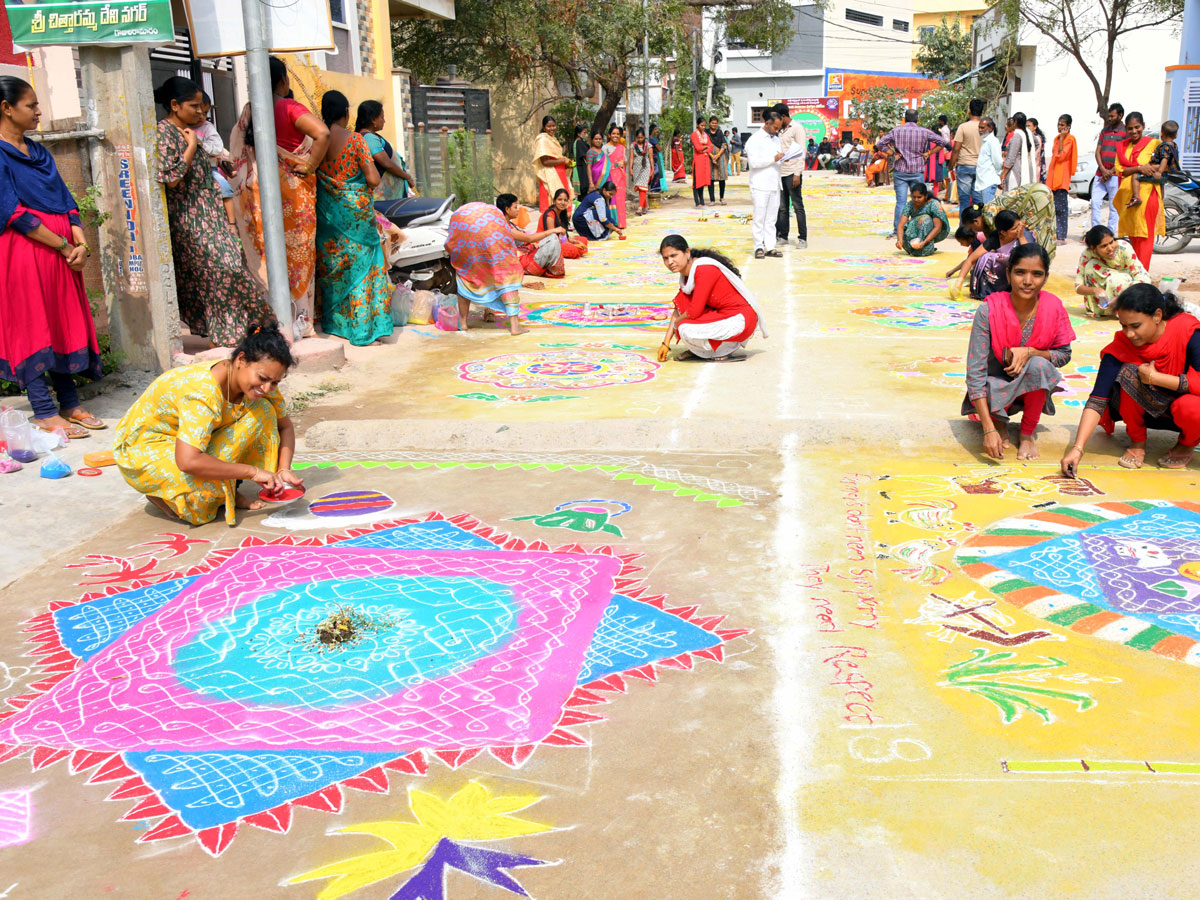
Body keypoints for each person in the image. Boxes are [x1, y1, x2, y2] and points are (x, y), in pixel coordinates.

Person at [113, 322, 302, 526]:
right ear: (241, 360)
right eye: (263, 378)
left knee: (264, 410)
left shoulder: (260, 383)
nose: (267, 388)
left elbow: (285, 426)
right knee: (200, 507)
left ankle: (227, 490)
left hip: (186, 445)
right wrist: (252, 471)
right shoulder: (203, 391)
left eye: (274, 382)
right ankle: (163, 493)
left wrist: (283, 468)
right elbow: (188, 461)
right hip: (145, 447)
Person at [0, 76, 103, 440]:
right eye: (31, 106)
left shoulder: (39, 152)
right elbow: (12, 213)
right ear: (6, 108)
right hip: (25, 252)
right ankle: (44, 410)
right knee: (32, 324)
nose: (38, 112)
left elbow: (65, 199)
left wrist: (80, 240)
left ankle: (70, 402)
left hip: (61, 252)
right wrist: (61, 245)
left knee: (61, 321)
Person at [155, 76, 271, 350]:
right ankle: (226, 336)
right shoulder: (164, 132)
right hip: (190, 219)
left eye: (204, 110)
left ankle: (242, 331)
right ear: (174, 105)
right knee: (220, 272)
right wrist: (192, 147)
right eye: (194, 107)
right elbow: (170, 177)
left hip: (210, 214)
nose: (200, 113)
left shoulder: (189, 130)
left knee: (231, 269)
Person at [228, 57, 330, 339]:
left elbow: (236, 155)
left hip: (259, 194)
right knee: (298, 257)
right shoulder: (286, 106)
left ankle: (274, 320)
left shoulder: (250, 111)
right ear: (283, 81)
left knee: (268, 256)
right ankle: (299, 322)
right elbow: (322, 133)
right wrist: (309, 166)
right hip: (291, 194)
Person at [1061, 284, 1200, 473]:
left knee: (1192, 407)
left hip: (1182, 415)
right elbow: (1097, 400)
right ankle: (1137, 441)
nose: (1129, 334)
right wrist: (1077, 449)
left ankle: (1186, 443)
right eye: (1123, 326)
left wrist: (1156, 378)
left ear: (1157, 316)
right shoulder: (1122, 345)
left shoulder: (1188, 332)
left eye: (1136, 326)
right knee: (1127, 373)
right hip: (1145, 414)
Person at [963, 243, 1075, 461]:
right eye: (1020, 272)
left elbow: (1064, 355)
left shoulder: (1053, 307)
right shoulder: (989, 310)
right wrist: (988, 429)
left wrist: (1031, 352)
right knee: (990, 383)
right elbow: (974, 373)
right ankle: (998, 422)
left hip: (1030, 390)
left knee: (1039, 366)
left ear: (1046, 277)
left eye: (1037, 274)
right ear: (1008, 273)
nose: (1027, 281)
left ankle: (1027, 434)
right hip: (993, 388)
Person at [314, 91, 391, 347]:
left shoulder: (315, 138)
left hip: (326, 214)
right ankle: (361, 331)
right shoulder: (356, 140)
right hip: (355, 216)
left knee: (334, 270)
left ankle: (336, 325)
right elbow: (373, 179)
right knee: (363, 270)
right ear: (347, 112)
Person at [656, 234, 765, 362]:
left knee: (684, 327)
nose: (670, 262)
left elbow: (694, 311)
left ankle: (718, 351)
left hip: (740, 319)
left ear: (687, 252)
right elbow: (679, 308)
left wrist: (676, 324)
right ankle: (704, 352)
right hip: (723, 315)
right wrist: (665, 343)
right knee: (683, 322)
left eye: (674, 256)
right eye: (665, 258)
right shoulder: (686, 276)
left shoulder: (704, 269)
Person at [446, 201, 529, 336]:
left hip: (469, 248)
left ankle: (463, 322)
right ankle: (515, 325)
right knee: (507, 279)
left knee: (465, 277)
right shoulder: (496, 218)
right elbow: (511, 240)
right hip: (494, 249)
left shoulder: (461, 216)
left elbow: (450, 244)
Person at [876, 109, 952, 239]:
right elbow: (944, 142)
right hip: (917, 169)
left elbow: (880, 143)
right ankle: (918, 229)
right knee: (918, 201)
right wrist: (929, 153)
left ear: (904, 119)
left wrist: (892, 153)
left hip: (900, 170)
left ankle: (896, 231)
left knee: (901, 202)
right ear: (917, 119)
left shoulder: (896, 131)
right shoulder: (924, 131)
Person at [1113, 111, 1164, 271]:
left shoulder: (1154, 143)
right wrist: (1140, 168)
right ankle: (1136, 274)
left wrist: (1144, 168)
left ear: (1143, 126)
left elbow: (1166, 164)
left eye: (1137, 127)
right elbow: (1120, 170)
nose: (1134, 131)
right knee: (1133, 235)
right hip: (1128, 198)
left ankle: (1143, 276)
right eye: (1130, 129)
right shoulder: (1122, 147)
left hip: (1148, 196)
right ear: (1126, 129)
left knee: (1145, 237)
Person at [955, 209, 1034, 300]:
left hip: (1018, 279)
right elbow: (970, 260)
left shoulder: (1025, 235)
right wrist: (958, 283)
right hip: (998, 281)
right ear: (1003, 232)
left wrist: (1022, 237)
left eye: (1019, 226)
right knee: (985, 257)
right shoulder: (995, 239)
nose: (1019, 230)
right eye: (1014, 228)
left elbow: (1030, 260)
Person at [1074, 225, 1152, 317]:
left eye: (1111, 242)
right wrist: (1096, 290)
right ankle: (1102, 310)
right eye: (1104, 246)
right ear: (1093, 248)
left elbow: (1143, 278)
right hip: (1107, 295)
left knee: (1115, 280)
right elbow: (1078, 286)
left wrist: (1121, 298)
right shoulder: (1087, 254)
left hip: (1126, 291)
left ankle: (1123, 310)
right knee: (1090, 267)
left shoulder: (1124, 248)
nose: (1110, 248)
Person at [356, 100, 415, 201]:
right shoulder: (369, 138)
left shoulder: (370, 136)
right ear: (373, 120)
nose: (384, 121)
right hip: (382, 198)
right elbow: (386, 163)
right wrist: (407, 177)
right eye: (382, 117)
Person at [745, 111, 785, 260]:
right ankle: (758, 246)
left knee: (771, 219)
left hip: (774, 183)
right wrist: (773, 158)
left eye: (779, 128)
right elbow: (754, 163)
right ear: (767, 123)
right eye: (775, 128)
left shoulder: (775, 139)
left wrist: (782, 158)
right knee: (760, 218)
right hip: (760, 184)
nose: (777, 131)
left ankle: (770, 246)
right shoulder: (754, 139)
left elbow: (776, 159)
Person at [497, 191, 564, 279]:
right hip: (523, 262)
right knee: (554, 240)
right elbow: (529, 238)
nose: (518, 210)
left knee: (553, 238)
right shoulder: (506, 227)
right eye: (515, 207)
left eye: (565, 200)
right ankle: (554, 272)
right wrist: (552, 230)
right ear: (507, 209)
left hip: (528, 253)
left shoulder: (510, 223)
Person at [194, 92, 236, 224]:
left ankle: (231, 222)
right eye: (198, 112)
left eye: (205, 113)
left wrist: (201, 146)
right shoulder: (183, 127)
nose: (201, 116)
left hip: (208, 168)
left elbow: (218, 147)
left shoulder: (207, 127)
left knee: (224, 188)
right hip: (192, 169)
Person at [774, 102, 807, 250]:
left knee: (797, 206)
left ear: (783, 116)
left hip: (792, 173)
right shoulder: (779, 131)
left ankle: (803, 238)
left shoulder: (797, 128)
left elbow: (801, 152)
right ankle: (783, 236)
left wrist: (797, 174)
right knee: (782, 208)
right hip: (780, 173)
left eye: (777, 118)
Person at [1091, 102, 1126, 233]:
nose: (1110, 118)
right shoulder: (1105, 130)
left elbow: (1125, 155)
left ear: (1120, 115)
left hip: (1115, 175)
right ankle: (1096, 232)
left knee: (1114, 206)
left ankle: (1111, 232)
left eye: (1113, 116)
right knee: (1095, 203)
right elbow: (1097, 151)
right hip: (1101, 173)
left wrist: (1111, 172)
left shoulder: (1125, 132)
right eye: (1109, 116)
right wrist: (1103, 169)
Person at [533, 115, 575, 214]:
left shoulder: (553, 139)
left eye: (554, 126)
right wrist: (563, 160)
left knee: (563, 201)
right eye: (549, 126)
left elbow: (557, 158)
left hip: (560, 173)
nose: (552, 128)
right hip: (550, 176)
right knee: (552, 203)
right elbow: (545, 162)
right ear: (544, 127)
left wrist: (568, 164)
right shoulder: (542, 140)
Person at [896, 182, 951, 257]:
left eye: (919, 197)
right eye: (914, 197)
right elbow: (901, 225)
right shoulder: (910, 204)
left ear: (926, 196)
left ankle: (924, 246)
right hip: (912, 237)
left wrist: (925, 242)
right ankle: (912, 247)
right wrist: (900, 240)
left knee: (924, 219)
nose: (916, 200)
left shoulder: (933, 204)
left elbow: (937, 227)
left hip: (927, 237)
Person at [949, 98, 984, 213]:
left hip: (964, 165)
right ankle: (977, 225)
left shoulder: (963, 127)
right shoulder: (985, 127)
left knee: (964, 200)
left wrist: (951, 165)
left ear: (969, 110)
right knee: (977, 199)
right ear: (982, 112)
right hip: (980, 166)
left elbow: (956, 149)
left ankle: (964, 227)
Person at [1047, 114, 1077, 245]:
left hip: (1062, 177)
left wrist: (1063, 139)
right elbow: (1054, 154)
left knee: (1061, 208)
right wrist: (1060, 140)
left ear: (1068, 127)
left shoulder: (1070, 139)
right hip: (1053, 175)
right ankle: (1054, 233)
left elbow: (1061, 156)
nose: (1059, 127)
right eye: (1058, 124)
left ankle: (1061, 236)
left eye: (1062, 125)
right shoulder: (1056, 138)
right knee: (1052, 207)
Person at [541, 188, 588, 259]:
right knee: (573, 250)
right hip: (550, 244)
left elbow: (565, 236)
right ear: (554, 201)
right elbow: (551, 238)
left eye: (565, 200)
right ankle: (575, 251)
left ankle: (576, 250)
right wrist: (570, 244)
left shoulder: (563, 213)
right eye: (559, 199)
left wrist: (575, 242)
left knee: (583, 240)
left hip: (561, 242)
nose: (562, 203)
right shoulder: (550, 215)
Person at [1001, 111, 1036, 190]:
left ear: (1015, 122)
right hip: (1024, 167)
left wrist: (1003, 173)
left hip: (1015, 170)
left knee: (1012, 197)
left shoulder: (1017, 136)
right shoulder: (1026, 133)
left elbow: (1011, 158)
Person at [975, 116, 1003, 205]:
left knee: (988, 211)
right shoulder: (985, 141)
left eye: (982, 128)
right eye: (979, 127)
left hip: (989, 183)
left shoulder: (993, 141)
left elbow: (998, 162)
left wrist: (999, 176)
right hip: (982, 183)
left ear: (991, 128)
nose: (980, 130)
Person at [604, 124, 628, 228]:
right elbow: (603, 164)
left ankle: (621, 222)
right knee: (612, 199)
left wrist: (623, 164)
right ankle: (614, 222)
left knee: (620, 198)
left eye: (618, 134)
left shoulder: (622, 147)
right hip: (610, 177)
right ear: (609, 135)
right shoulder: (605, 148)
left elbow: (625, 161)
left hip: (621, 177)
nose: (616, 136)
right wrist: (617, 164)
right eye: (613, 133)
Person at [630, 126, 653, 216]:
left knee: (643, 186)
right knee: (640, 188)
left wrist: (652, 169)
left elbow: (651, 158)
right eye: (638, 137)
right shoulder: (633, 146)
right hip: (636, 168)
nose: (640, 139)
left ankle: (640, 208)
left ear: (644, 137)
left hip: (645, 167)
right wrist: (630, 168)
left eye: (642, 137)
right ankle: (645, 206)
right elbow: (631, 157)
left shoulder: (648, 146)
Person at [690, 119, 712, 207]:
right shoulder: (694, 135)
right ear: (697, 125)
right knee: (696, 182)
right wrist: (705, 147)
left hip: (705, 160)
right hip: (698, 160)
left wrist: (704, 147)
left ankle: (702, 201)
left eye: (704, 126)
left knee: (702, 181)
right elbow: (697, 147)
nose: (703, 127)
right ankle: (697, 201)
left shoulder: (706, 135)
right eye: (701, 125)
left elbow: (711, 147)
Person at [708, 116, 728, 205]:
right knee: (710, 179)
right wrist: (712, 156)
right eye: (712, 123)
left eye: (716, 123)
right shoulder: (706, 133)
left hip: (720, 157)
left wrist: (718, 155)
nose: (714, 125)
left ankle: (722, 197)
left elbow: (724, 145)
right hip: (709, 158)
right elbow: (704, 146)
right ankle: (712, 199)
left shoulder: (720, 133)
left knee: (722, 178)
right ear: (709, 123)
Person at [586, 130, 610, 197]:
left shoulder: (603, 153)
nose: (598, 141)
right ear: (592, 140)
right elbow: (589, 167)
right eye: (596, 139)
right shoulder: (590, 152)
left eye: (600, 139)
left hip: (605, 181)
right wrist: (591, 183)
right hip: (595, 182)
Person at [649, 124, 669, 192]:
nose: (656, 131)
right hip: (654, 158)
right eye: (655, 129)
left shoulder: (651, 139)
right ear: (653, 130)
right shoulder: (652, 139)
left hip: (653, 157)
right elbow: (659, 148)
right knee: (655, 172)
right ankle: (654, 188)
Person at [1028, 117, 1048, 183]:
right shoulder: (1030, 137)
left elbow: (1035, 155)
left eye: (1029, 126)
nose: (1027, 128)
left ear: (1035, 127)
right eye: (1026, 126)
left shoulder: (1037, 138)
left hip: (1035, 167)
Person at [573, 123, 591, 195]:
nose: (586, 134)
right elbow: (586, 157)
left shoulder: (575, 142)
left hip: (578, 167)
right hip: (581, 169)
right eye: (584, 132)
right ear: (578, 133)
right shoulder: (580, 142)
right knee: (583, 189)